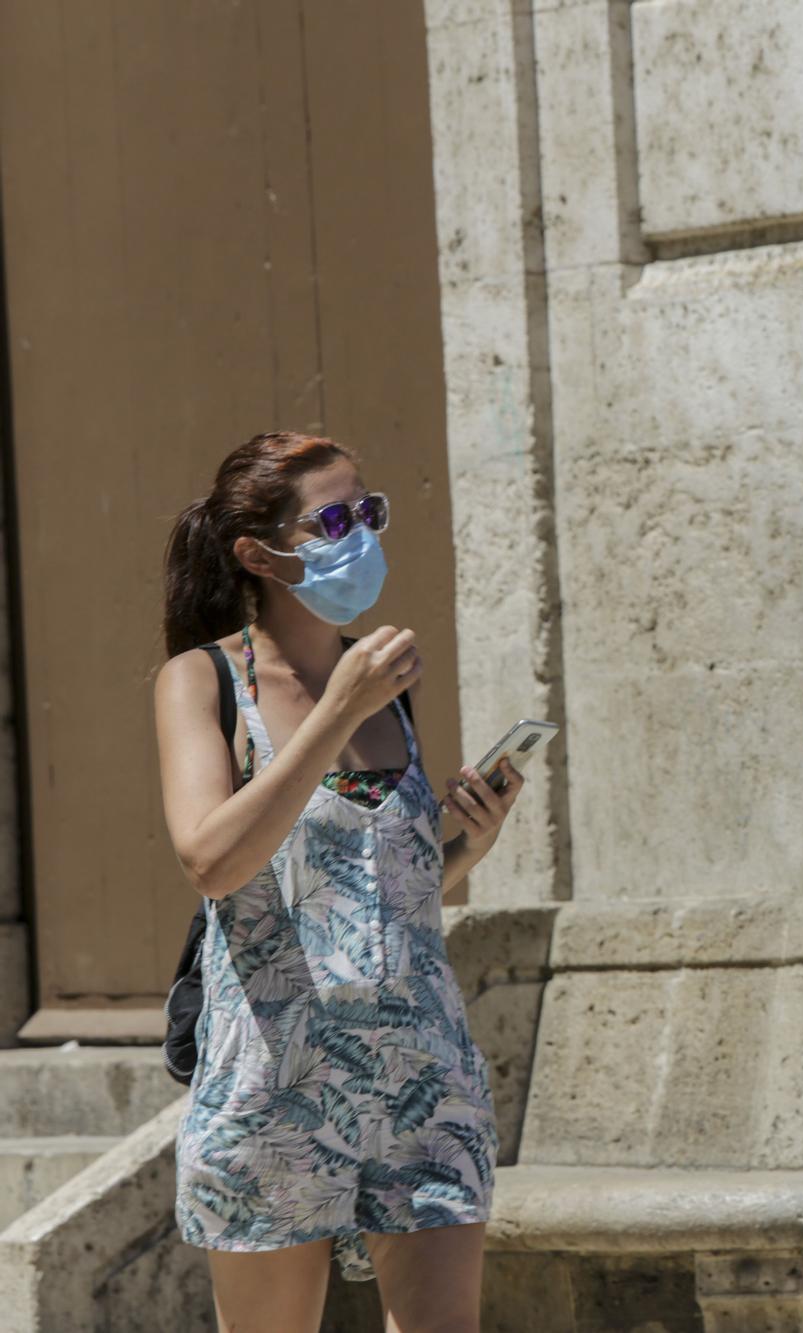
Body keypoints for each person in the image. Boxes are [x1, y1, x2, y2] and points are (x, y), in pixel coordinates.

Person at [156, 432, 524, 1332]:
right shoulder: (203, 680)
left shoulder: (382, 681)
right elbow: (213, 858)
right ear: (257, 553)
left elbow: (358, 890)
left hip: (421, 1070)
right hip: (278, 1080)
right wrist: (337, 711)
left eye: (368, 511)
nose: (358, 532)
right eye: (332, 518)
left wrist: (463, 846)